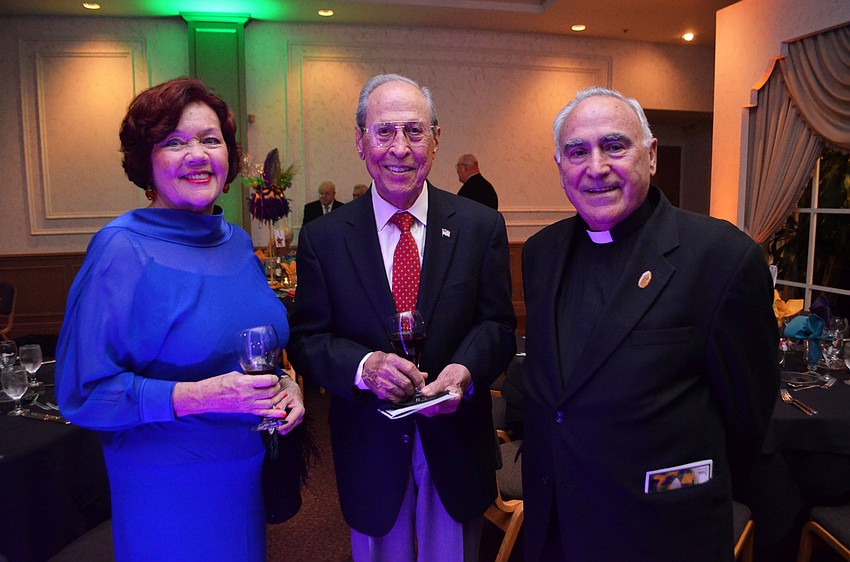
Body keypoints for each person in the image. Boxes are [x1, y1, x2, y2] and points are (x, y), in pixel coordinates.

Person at [520, 86, 779, 561]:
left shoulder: (721, 258)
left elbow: (748, 417)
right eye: (577, 152)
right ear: (560, 167)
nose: (595, 168)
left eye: (615, 145)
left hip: (659, 530)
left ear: (651, 154)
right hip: (555, 519)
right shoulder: (542, 253)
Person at [55, 77, 305, 561]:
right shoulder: (121, 248)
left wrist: (287, 384)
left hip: (244, 473)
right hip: (166, 485)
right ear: (146, 161)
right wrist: (200, 395)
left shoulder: (234, 241)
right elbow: (82, 394)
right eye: (174, 142)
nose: (197, 154)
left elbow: (255, 348)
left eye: (210, 140)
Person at [288, 73, 516, 562]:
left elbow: (498, 326)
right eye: (384, 131)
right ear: (360, 141)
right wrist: (363, 366)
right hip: (370, 450)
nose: (400, 148)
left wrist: (466, 371)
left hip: (455, 443)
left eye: (414, 132)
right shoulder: (323, 239)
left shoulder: (480, 226)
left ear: (435, 141)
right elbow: (307, 340)